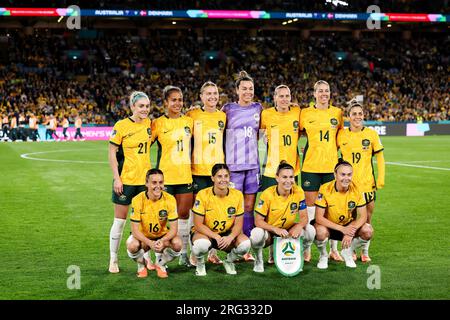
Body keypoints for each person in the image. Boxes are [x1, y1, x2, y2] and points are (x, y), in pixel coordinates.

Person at [299, 80, 344, 262]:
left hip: (331, 168)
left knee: (330, 210)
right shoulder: (305, 113)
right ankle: (308, 249)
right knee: (311, 210)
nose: (324, 94)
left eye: (327, 91)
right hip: (310, 167)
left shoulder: (337, 113)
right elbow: (299, 132)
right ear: (314, 93)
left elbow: (341, 136)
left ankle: (333, 249)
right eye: (321, 91)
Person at [108, 91, 152, 273]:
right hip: (126, 181)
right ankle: (113, 260)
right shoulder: (122, 125)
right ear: (132, 107)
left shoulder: (150, 124)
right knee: (120, 222)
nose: (145, 109)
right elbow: (111, 153)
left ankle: (146, 259)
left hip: (145, 183)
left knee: (145, 223)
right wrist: (117, 179)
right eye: (141, 106)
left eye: (147, 106)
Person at [222, 70, 263, 261]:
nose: (248, 91)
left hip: (252, 166)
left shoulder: (258, 108)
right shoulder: (228, 109)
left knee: (249, 206)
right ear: (237, 90)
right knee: (233, 207)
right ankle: (230, 244)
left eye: (251, 88)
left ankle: (244, 247)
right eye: (244, 88)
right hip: (233, 166)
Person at [151, 85, 194, 266]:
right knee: (163, 218)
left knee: (184, 216)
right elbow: (144, 146)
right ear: (165, 102)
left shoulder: (189, 121)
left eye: (180, 99)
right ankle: (159, 256)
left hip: (185, 176)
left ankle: (183, 253)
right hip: (165, 179)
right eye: (174, 100)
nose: (178, 103)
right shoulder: (158, 123)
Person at [337, 102, 385, 262]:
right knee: (350, 220)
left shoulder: (371, 134)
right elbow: (331, 153)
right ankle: (350, 250)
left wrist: (380, 178)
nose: (358, 116)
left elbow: (380, 158)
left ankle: (364, 251)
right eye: (354, 114)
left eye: (360, 113)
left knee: (367, 221)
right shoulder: (342, 135)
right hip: (347, 186)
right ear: (348, 117)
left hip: (367, 186)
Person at [186, 81, 226, 265]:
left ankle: (211, 253)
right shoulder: (192, 115)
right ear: (201, 97)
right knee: (197, 214)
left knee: (215, 214)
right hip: (198, 172)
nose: (212, 97)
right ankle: (193, 253)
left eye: (215, 93)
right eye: (208, 94)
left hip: (218, 173)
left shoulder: (223, 116)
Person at [250, 161, 315, 272]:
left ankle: (297, 256)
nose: (288, 181)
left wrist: (298, 226)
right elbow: (258, 221)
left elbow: (304, 217)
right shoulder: (267, 194)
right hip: (271, 232)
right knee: (256, 234)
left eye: (291, 177)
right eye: (284, 177)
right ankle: (259, 260)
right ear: (277, 178)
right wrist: (275, 229)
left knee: (310, 230)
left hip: (288, 231)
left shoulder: (298, 191)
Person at [191, 164, 251, 276]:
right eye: (219, 176)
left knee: (245, 244)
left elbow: (239, 224)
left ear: (229, 177)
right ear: (212, 178)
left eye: (226, 176)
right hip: (206, 233)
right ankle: (200, 263)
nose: (223, 180)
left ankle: (229, 261)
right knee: (201, 244)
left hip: (226, 234)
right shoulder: (203, 194)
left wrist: (231, 237)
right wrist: (216, 236)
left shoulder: (237, 195)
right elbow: (198, 224)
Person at [313, 159, 373, 269]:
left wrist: (350, 231)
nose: (346, 178)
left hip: (347, 225)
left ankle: (347, 251)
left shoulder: (357, 189)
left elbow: (363, 216)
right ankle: (323, 255)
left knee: (368, 231)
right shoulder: (325, 188)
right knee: (319, 232)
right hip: (329, 226)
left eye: (349, 174)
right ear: (335, 175)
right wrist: (342, 229)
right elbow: (318, 218)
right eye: (343, 174)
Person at [126, 169, 182, 278]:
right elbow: (135, 230)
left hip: (162, 236)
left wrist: (162, 240)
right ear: (146, 183)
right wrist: (150, 243)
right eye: (154, 183)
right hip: (144, 237)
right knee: (132, 245)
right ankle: (141, 265)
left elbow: (174, 229)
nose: (158, 186)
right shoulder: (137, 200)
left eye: (161, 182)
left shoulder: (170, 199)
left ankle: (160, 264)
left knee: (178, 243)